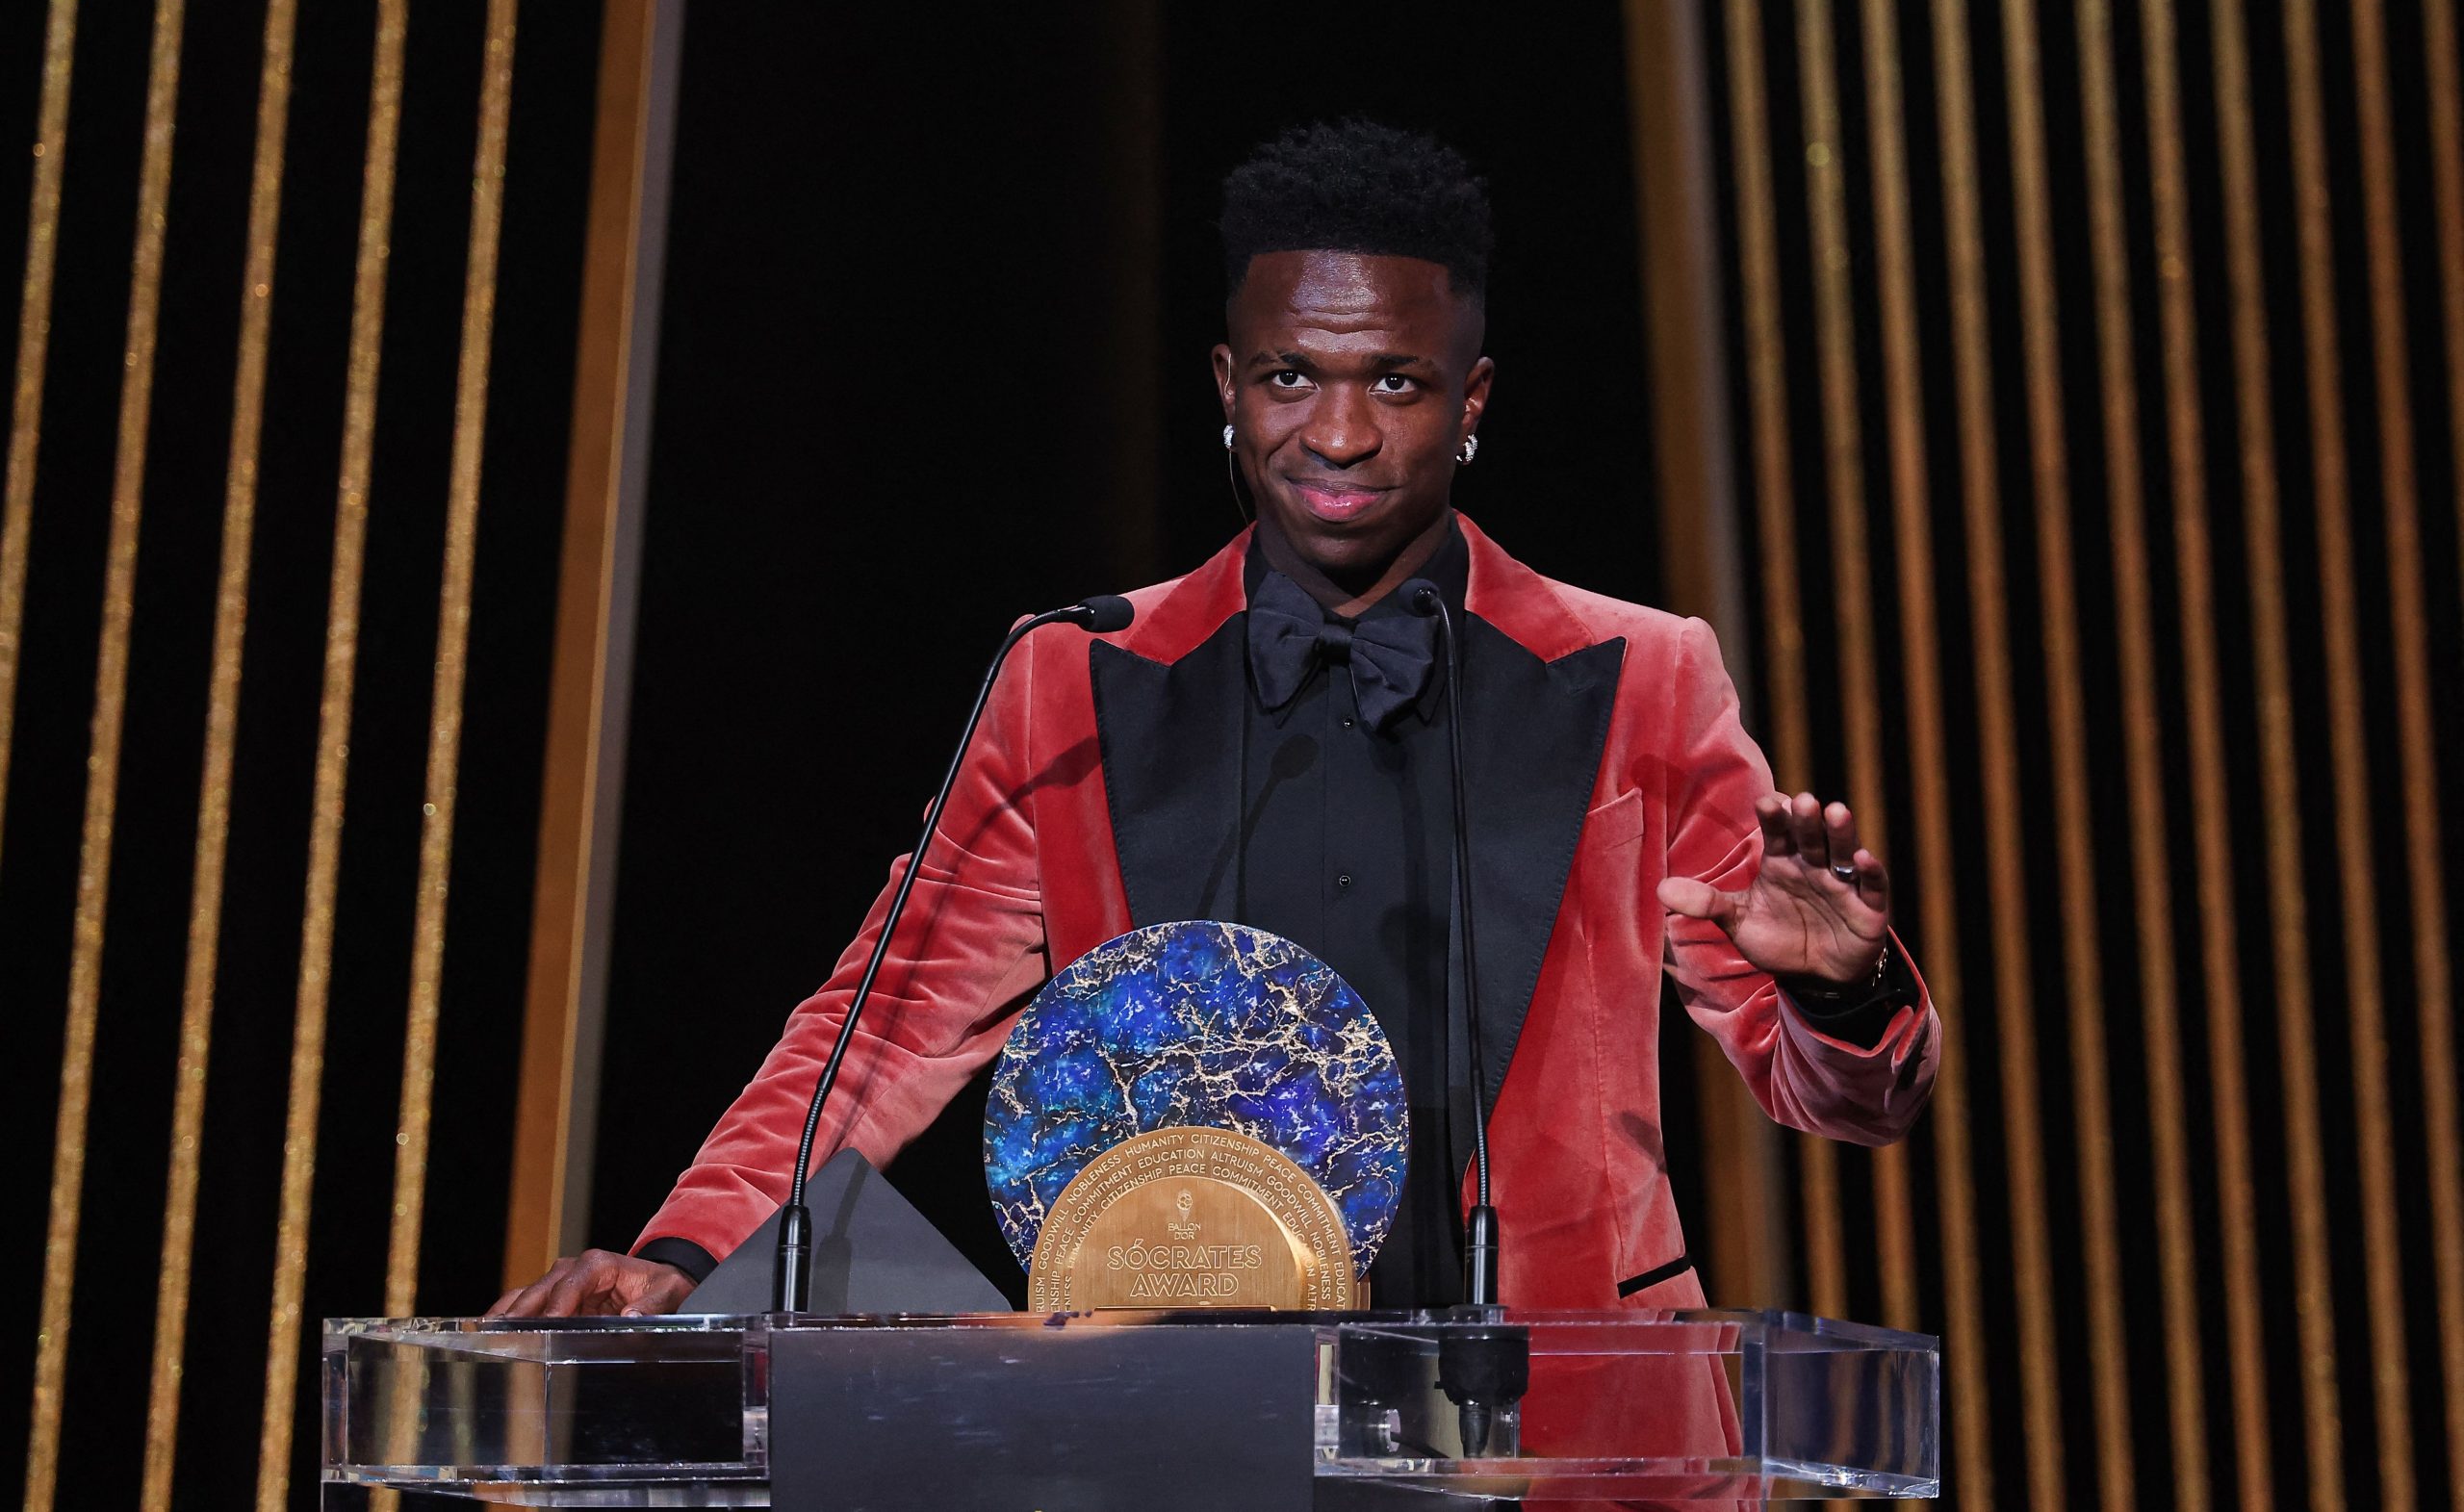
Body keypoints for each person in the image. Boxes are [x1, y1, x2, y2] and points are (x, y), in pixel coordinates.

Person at [491, 118, 1938, 1320]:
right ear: (1229, 390)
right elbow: (879, 1025)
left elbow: (1846, 1102)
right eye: (1296, 376)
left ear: (1473, 400)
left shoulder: (1643, 674)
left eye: (1398, 382)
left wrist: (1842, 993)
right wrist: (682, 1258)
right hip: (1179, 1420)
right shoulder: (1070, 675)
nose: (1343, 433)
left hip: (1568, 1431)